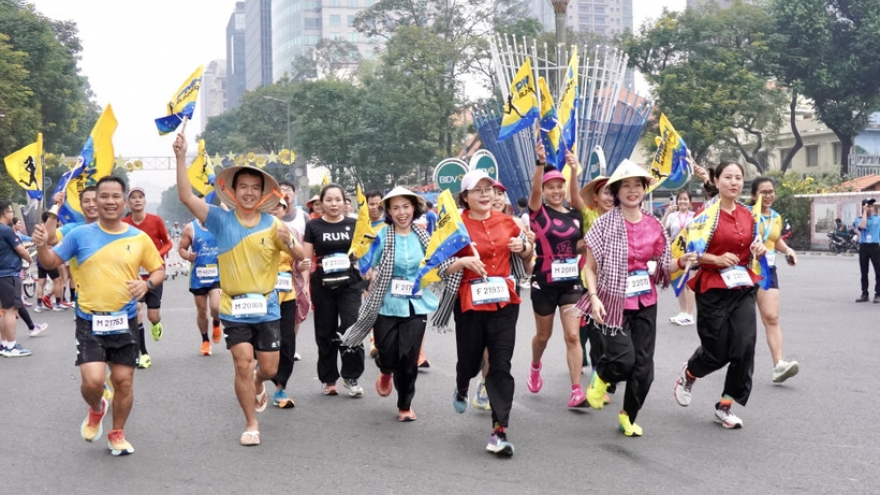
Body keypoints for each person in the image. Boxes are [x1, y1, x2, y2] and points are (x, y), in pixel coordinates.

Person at [174, 133, 302, 447]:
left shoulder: (274, 225)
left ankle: (260, 383)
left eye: (254, 188)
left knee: (268, 369)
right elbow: (187, 198)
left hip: (267, 306)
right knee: (243, 361)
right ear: (233, 191)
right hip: (233, 306)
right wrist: (180, 157)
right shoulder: (219, 219)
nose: (248, 192)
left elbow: (301, 256)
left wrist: (292, 245)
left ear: (262, 193)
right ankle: (251, 423)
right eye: (242, 186)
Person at [32, 176, 165, 455]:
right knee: (92, 382)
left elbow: (158, 269)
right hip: (90, 320)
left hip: (124, 319)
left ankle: (117, 433)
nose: (109, 201)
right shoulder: (79, 235)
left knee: (123, 381)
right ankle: (97, 407)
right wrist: (43, 246)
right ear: (96, 201)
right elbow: (50, 262)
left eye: (116, 196)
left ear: (124, 201)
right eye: (103, 196)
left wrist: (147, 283)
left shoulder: (138, 238)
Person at [575, 160, 671, 436]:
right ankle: (602, 375)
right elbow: (590, 268)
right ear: (616, 192)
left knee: (645, 369)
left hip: (645, 302)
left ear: (644, 189)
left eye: (637, 185)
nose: (632, 191)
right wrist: (593, 298)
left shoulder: (654, 226)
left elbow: (665, 265)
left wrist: (689, 260)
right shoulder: (603, 225)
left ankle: (628, 415)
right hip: (611, 301)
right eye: (625, 186)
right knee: (624, 361)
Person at [673, 160, 766, 429]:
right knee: (717, 351)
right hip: (712, 287)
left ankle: (725, 406)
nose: (734, 182)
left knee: (745, 346)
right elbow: (689, 256)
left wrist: (758, 249)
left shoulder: (750, 215)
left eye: (738, 177)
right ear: (716, 181)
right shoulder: (704, 216)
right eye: (728, 177)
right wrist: (714, 258)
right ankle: (690, 372)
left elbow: (753, 247)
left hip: (742, 287)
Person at [446, 169, 532, 456]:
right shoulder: (455, 225)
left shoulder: (508, 221)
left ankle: (499, 431)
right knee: (470, 363)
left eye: (490, 189)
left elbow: (530, 252)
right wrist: (463, 262)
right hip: (469, 304)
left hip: (504, 304)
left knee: (500, 365)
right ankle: (461, 386)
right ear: (465, 196)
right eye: (478, 190)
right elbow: (437, 266)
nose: (486, 195)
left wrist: (523, 246)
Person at [344, 187, 439, 422]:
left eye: (406, 206)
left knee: (409, 356)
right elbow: (366, 263)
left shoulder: (425, 236)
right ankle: (385, 369)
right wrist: (360, 261)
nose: (401, 212)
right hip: (386, 303)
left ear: (414, 208)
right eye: (395, 208)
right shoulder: (382, 236)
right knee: (388, 352)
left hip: (416, 304)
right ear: (388, 211)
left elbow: (440, 261)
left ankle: (405, 405)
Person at [526, 145, 588, 408]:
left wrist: (574, 171)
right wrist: (541, 162)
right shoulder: (538, 213)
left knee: (573, 336)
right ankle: (535, 365)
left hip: (571, 284)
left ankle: (576, 391)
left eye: (559, 187)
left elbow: (576, 198)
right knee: (543, 336)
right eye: (551, 187)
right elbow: (535, 191)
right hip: (544, 282)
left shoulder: (575, 216)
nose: (556, 191)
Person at [303, 184, 365, 396]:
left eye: (338, 199)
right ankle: (329, 378)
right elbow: (306, 257)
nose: (334, 204)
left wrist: (366, 268)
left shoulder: (353, 224)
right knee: (325, 332)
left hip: (350, 285)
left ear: (344, 201)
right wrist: (303, 282)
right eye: (329, 200)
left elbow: (363, 252)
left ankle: (351, 375)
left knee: (351, 327)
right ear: (321, 203)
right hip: (322, 285)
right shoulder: (313, 226)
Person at [751, 177, 800, 383]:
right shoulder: (746, 214)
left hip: (767, 270)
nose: (768, 196)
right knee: (737, 322)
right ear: (754, 195)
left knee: (771, 317)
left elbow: (775, 239)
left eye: (771, 191)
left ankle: (779, 365)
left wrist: (788, 250)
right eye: (763, 192)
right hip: (744, 271)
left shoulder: (776, 217)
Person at [122, 187, 173, 368]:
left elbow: (168, 243)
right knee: (136, 310)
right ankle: (142, 352)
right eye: (133, 198)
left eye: (140, 197)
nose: (137, 200)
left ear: (144, 201)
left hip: (154, 274)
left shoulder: (156, 221)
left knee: (152, 316)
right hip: (134, 276)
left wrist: (156, 255)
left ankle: (156, 323)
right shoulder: (124, 223)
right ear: (128, 203)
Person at [576, 174, 614, 371]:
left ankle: (611, 364)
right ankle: (597, 373)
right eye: (606, 192)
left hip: (616, 282)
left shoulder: (625, 216)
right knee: (592, 327)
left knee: (615, 327)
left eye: (613, 192)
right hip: (589, 279)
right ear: (595, 197)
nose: (611, 197)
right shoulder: (589, 215)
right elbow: (574, 197)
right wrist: (573, 170)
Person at [178, 201, 222, 357]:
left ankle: (217, 323)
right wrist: (188, 255)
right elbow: (181, 248)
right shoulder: (191, 228)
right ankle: (205, 341)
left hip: (217, 274)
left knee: (216, 307)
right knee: (202, 310)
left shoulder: (219, 226)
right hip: (198, 276)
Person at [270, 198, 301, 408]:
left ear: (284, 210)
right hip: (260, 296)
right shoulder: (252, 230)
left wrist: (291, 244)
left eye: (279, 206)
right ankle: (261, 369)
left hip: (286, 293)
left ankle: (280, 388)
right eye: (269, 205)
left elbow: (301, 255)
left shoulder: (290, 231)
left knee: (287, 343)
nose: (274, 209)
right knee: (264, 342)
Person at [278, 180, 310, 363]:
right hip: (274, 274)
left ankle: (291, 345)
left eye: (288, 190)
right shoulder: (266, 221)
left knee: (296, 311)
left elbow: (305, 252)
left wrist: (305, 281)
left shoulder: (302, 218)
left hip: (296, 271)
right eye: (281, 191)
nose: (285, 193)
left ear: (294, 193)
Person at [0, 201, 36, 357]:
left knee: (4, 310)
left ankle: (4, 344)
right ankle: (11, 346)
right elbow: (21, 250)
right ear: (4, 213)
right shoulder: (6, 230)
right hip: (8, 274)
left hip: (2, 274)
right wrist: (30, 260)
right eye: (10, 211)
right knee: (11, 310)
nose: (12, 214)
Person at [661, 189, 696, 326]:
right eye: (680, 199)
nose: (682, 201)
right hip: (675, 252)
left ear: (690, 201)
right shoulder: (672, 216)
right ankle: (683, 312)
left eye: (685, 199)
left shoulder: (695, 216)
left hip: (690, 252)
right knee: (678, 282)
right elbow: (661, 227)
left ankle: (689, 313)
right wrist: (668, 212)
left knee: (689, 283)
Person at [853, 198, 880, 303]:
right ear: (863, 207)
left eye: (871, 206)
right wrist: (864, 213)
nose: (870, 208)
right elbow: (862, 226)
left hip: (875, 246)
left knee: (878, 272)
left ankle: (878, 294)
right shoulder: (858, 219)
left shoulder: (878, 219)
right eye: (868, 206)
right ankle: (864, 294)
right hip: (864, 246)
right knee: (864, 272)